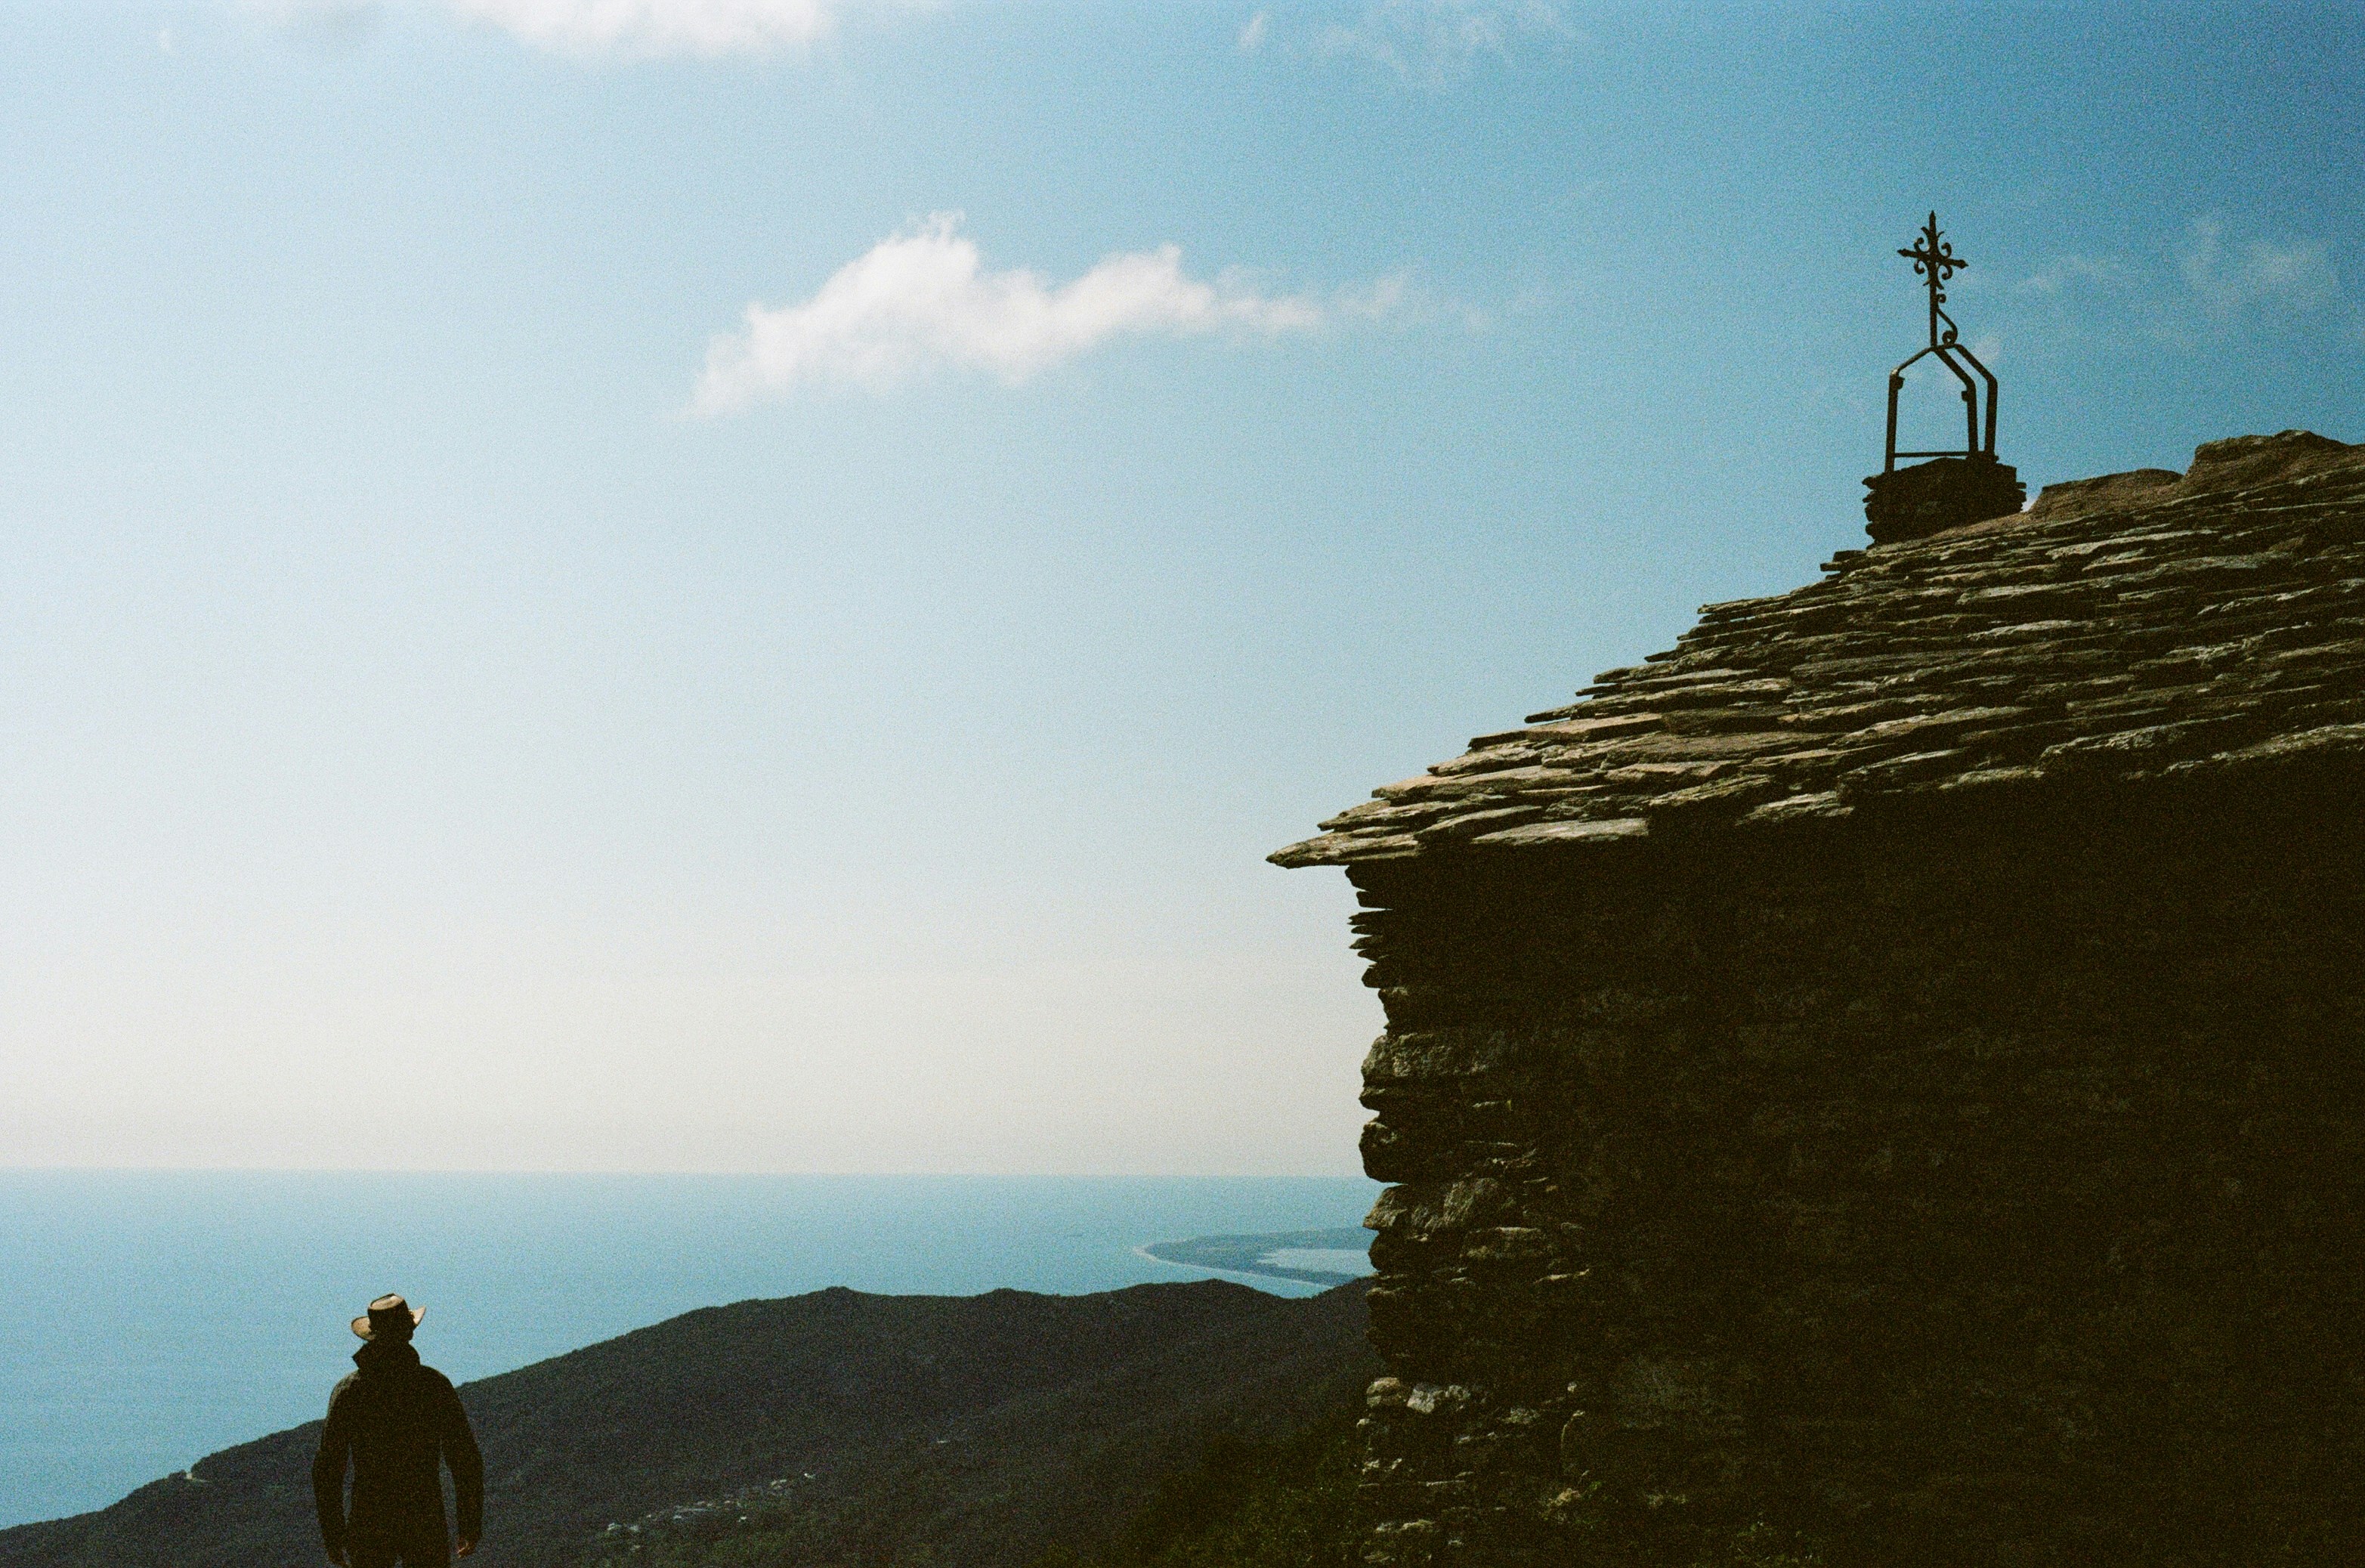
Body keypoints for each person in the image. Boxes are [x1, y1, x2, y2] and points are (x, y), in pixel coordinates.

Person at [312, 1293, 485, 1568]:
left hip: (369, 1520)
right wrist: (469, 1525)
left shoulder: (349, 1392)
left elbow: (328, 1470)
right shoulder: (433, 1386)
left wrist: (334, 1536)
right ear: (410, 1333)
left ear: (372, 1335)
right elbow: (465, 1460)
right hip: (424, 1518)